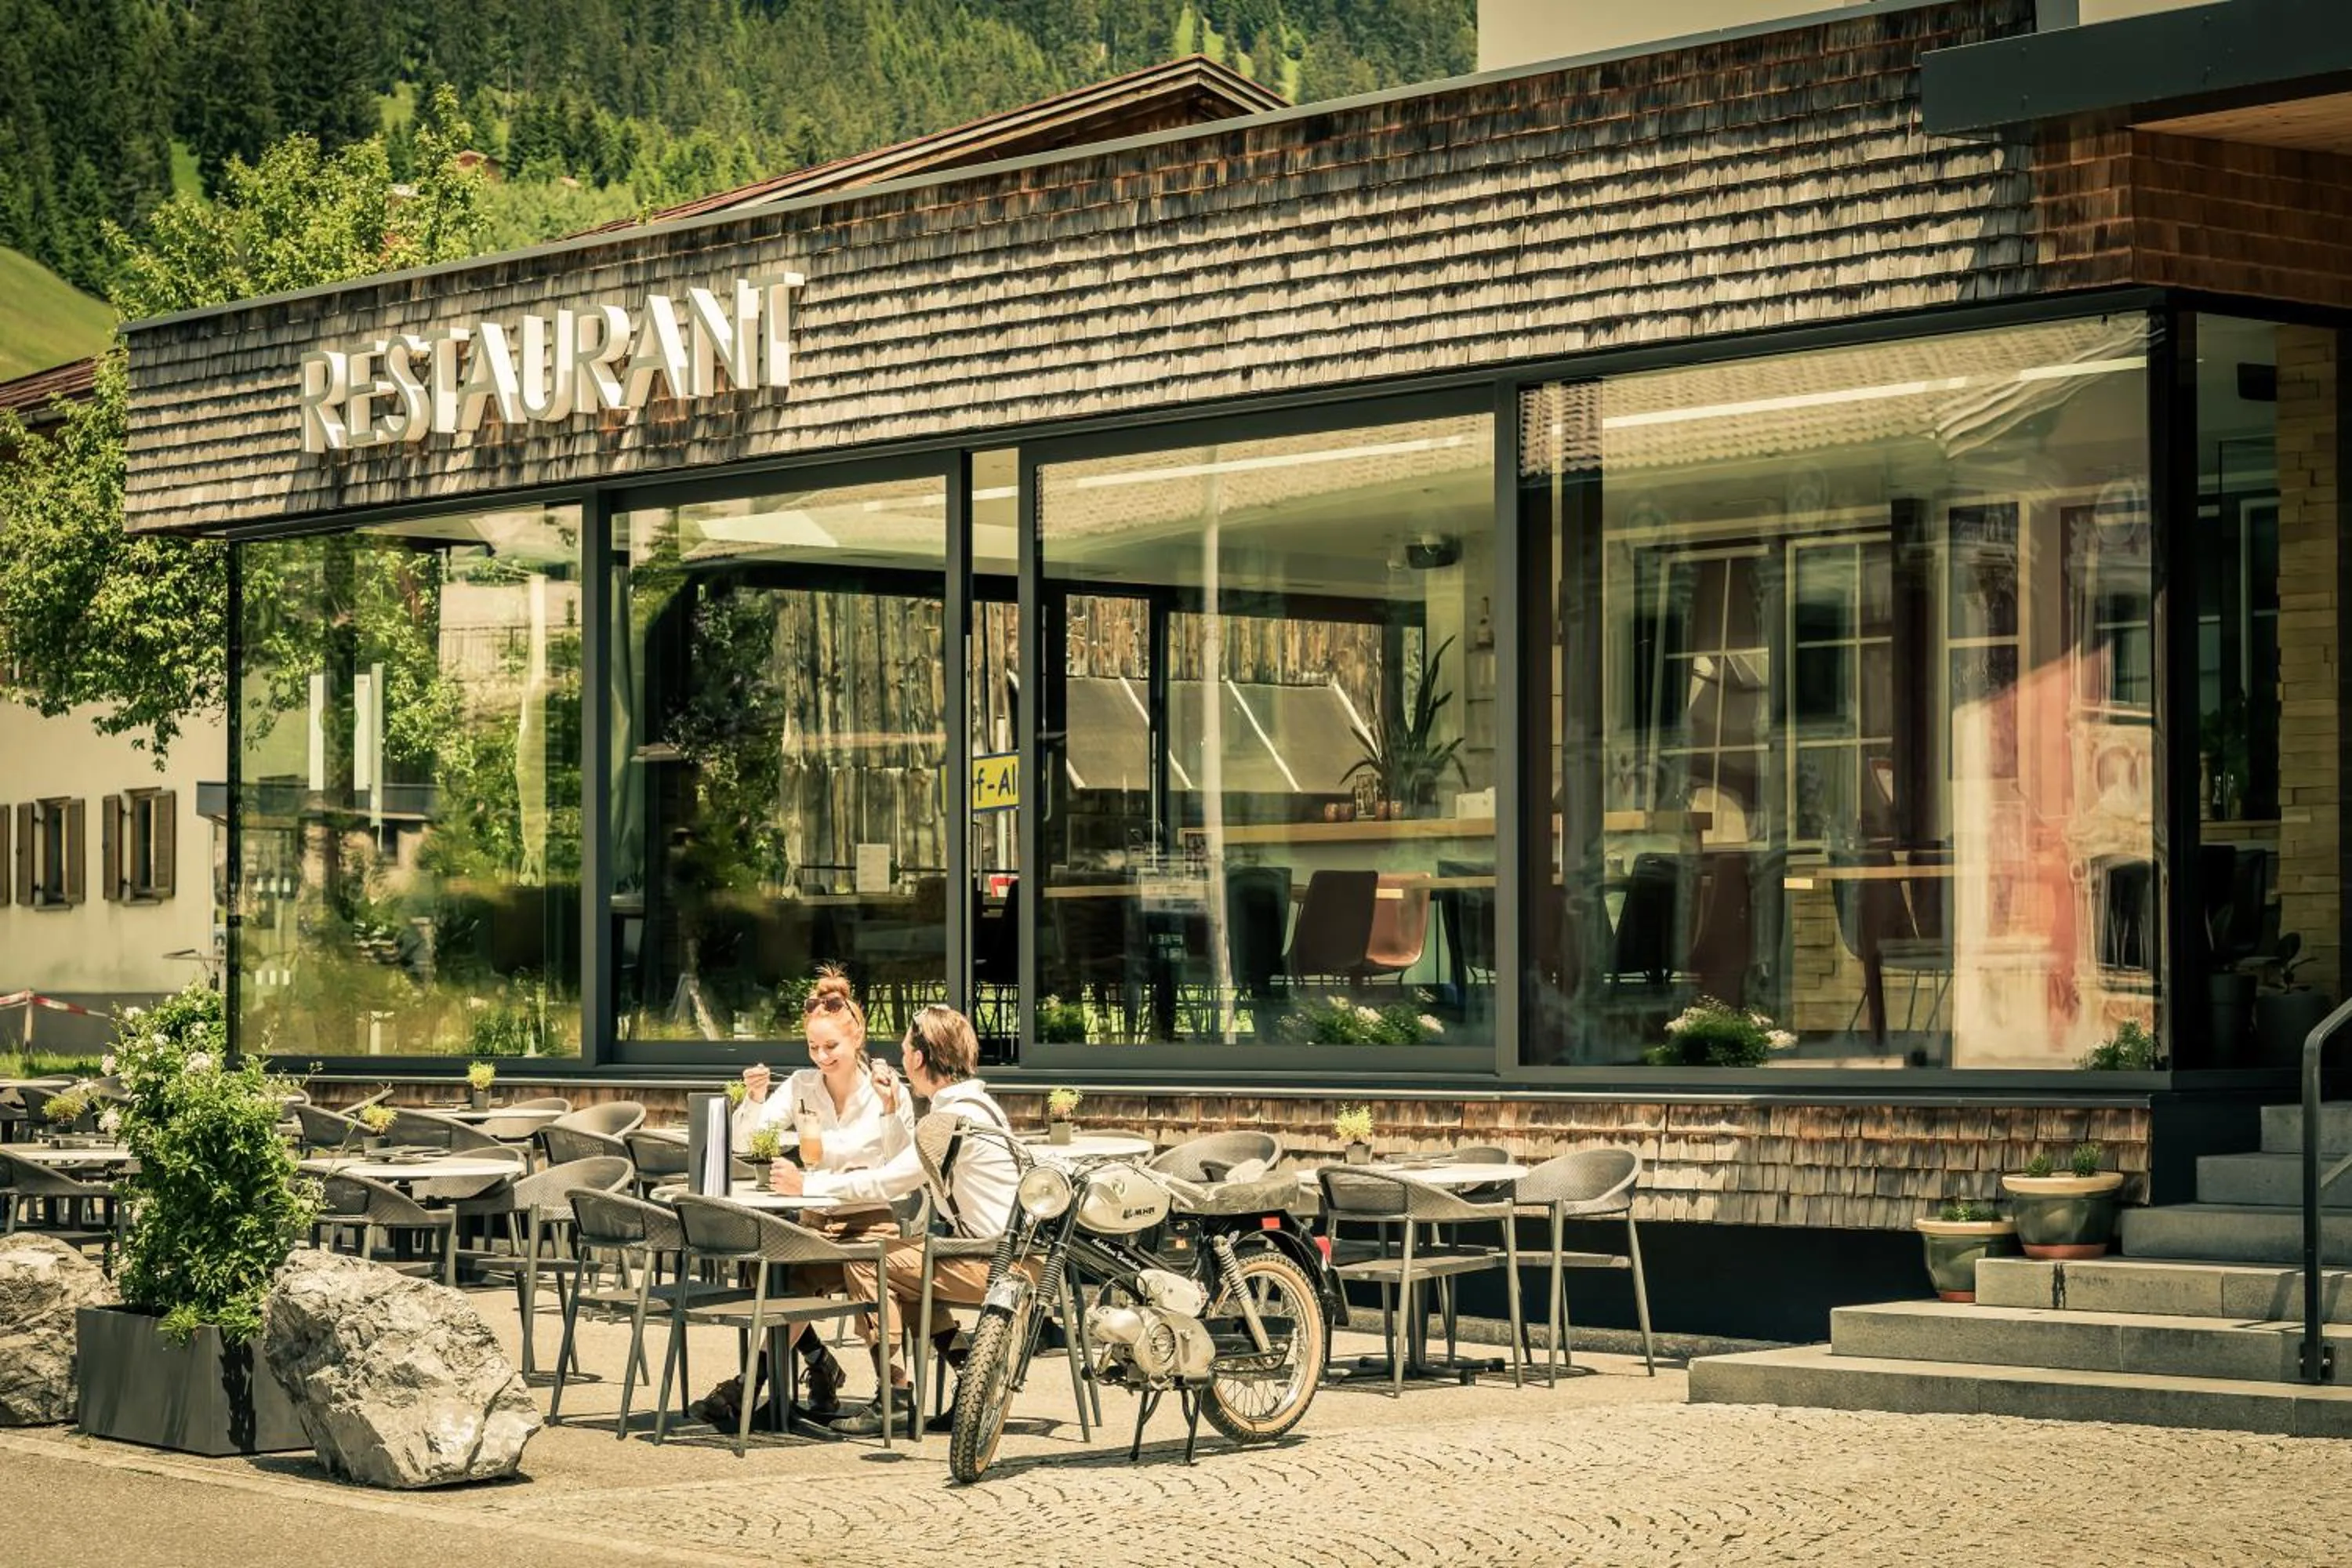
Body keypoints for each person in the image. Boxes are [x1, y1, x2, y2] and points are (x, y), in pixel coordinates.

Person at [765, 1002, 1018, 1436]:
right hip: (1005, 1254)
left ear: (919, 1059)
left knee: (873, 1259)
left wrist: (807, 1186)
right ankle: (965, 1370)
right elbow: (901, 1167)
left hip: (993, 1264)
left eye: (905, 1051)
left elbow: (889, 1182)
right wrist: (888, 1109)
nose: (901, 1059)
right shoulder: (981, 1105)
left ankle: (897, 1399)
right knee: (900, 1262)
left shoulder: (948, 1119)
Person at [695, 966, 913, 1430]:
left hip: (868, 1222)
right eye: (813, 1047)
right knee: (773, 1273)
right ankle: (802, 1369)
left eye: (831, 1046)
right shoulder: (800, 1086)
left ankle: (893, 1391)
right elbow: (751, 1140)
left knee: (864, 1271)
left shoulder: (886, 1090)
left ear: (857, 1038)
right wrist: (755, 1101)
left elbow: (899, 1162)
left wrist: (892, 1109)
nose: (821, 1057)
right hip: (816, 1223)